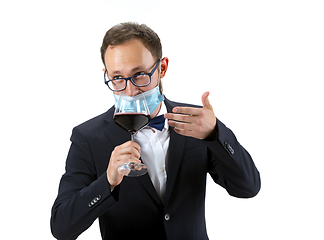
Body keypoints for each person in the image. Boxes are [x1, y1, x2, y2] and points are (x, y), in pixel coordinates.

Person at [50, 22, 261, 240]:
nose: (130, 91)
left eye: (139, 74)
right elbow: (62, 227)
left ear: (162, 68)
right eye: (117, 78)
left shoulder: (197, 123)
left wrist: (216, 133)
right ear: (107, 75)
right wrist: (108, 181)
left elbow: (248, 188)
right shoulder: (88, 138)